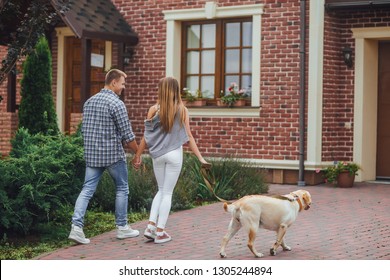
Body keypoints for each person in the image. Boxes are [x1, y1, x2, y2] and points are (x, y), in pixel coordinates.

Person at [132, 76, 210, 244]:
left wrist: (138, 155)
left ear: (160, 90)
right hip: (174, 154)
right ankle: (160, 232)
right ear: (176, 90)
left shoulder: (153, 109)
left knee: (160, 191)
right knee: (167, 193)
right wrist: (201, 158)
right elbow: (189, 137)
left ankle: (150, 227)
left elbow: (146, 137)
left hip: (157, 155)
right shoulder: (182, 110)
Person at [68, 69, 140, 245]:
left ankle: (76, 228)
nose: (123, 87)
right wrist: (138, 154)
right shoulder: (117, 104)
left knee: (86, 191)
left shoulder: (89, 102)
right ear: (113, 82)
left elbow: (86, 131)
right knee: (122, 188)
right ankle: (122, 228)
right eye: (122, 83)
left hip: (93, 156)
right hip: (113, 156)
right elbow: (128, 135)